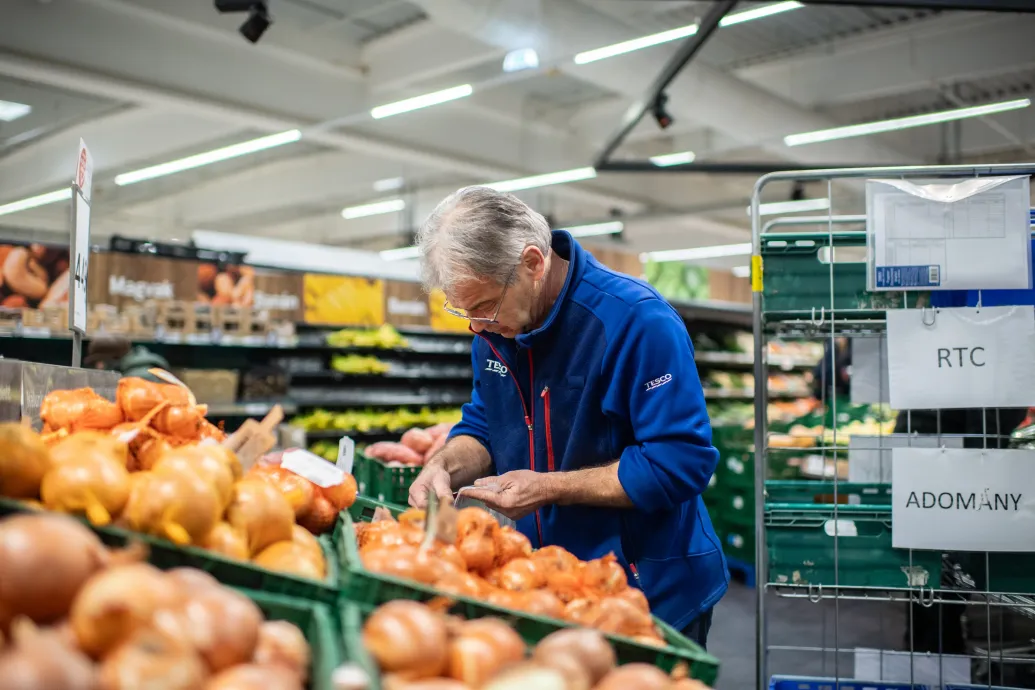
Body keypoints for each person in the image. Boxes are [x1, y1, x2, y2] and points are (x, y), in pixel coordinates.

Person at [407, 186, 728, 647]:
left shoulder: (638, 322)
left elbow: (679, 462)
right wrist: (442, 464)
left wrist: (550, 487)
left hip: (647, 595)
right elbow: (483, 425)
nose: (476, 327)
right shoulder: (495, 332)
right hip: (552, 584)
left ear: (533, 264)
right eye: (463, 311)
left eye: (483, 307)